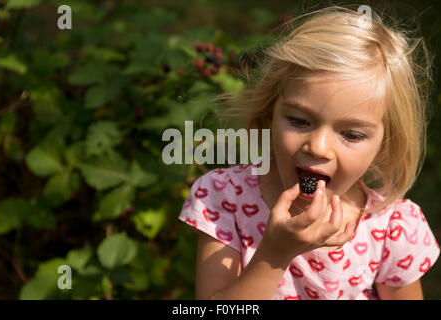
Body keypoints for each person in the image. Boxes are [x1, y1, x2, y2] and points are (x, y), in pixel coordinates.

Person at [178, 5, 440, 300]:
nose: (318, 147)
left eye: (351, 134)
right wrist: (274, 255)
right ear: (269, 116)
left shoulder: (392, 228)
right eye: (299, 121)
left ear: (384, 146)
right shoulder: (225, 199)